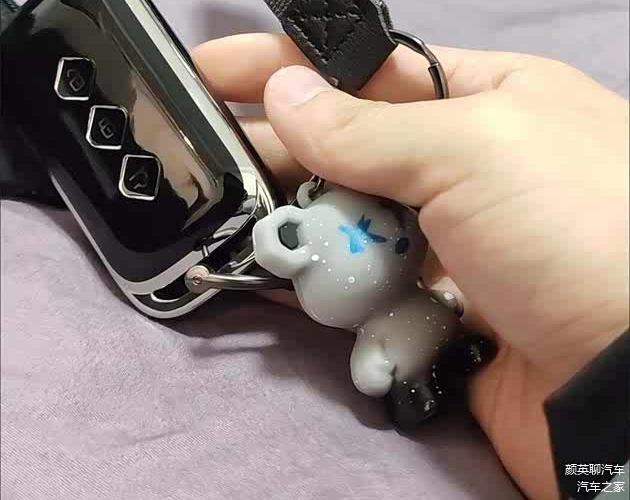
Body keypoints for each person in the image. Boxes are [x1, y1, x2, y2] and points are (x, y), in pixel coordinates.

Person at [194, 33, 629, 500]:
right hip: (417, 352)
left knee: (464, 350)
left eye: (395, 223)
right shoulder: (362, 308)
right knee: (419, 382)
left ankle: (460, 358)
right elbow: (368, 374)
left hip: (451, 322)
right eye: (362, 235)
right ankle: (419, 394)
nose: (394, 238)